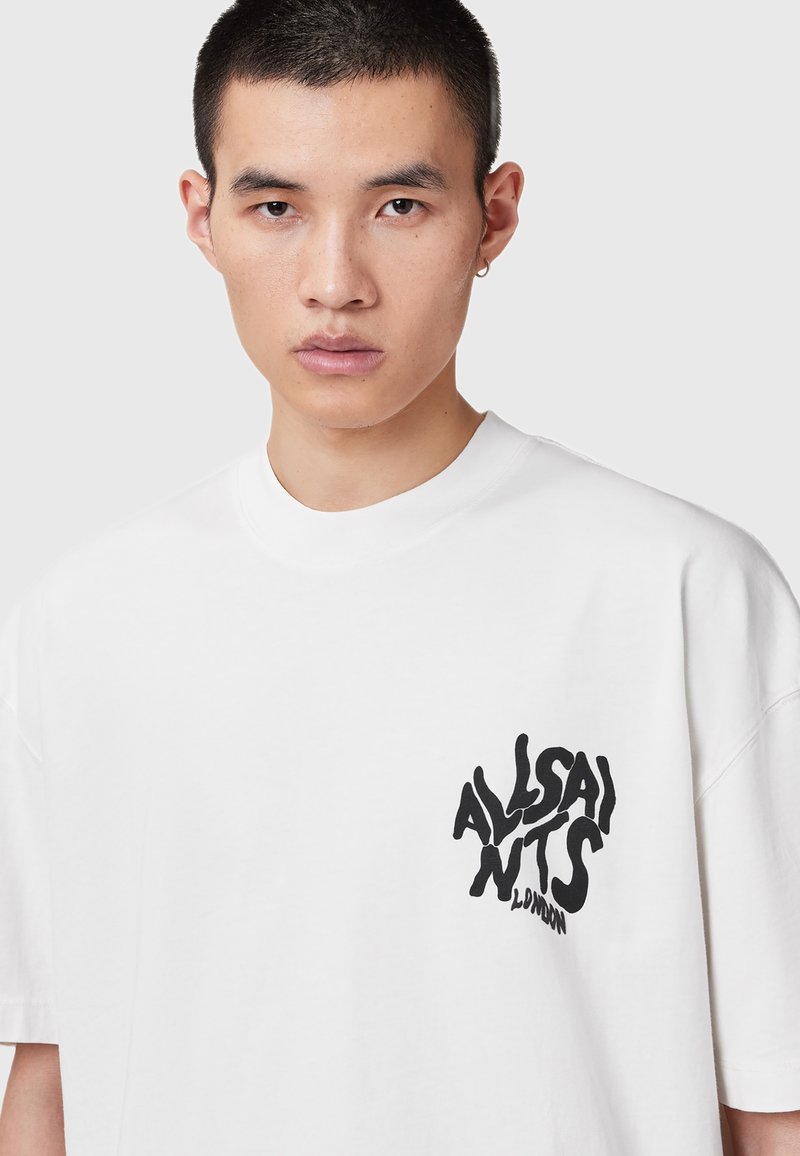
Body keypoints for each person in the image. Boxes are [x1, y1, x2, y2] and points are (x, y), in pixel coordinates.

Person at [0, 0, 798, 1152]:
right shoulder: (84, 621)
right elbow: (50, 1079)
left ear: (493, 214)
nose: (334, 281)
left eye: (399, 206)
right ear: (201, 216)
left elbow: (773, 1102)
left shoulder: (682, 594)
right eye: (276, 207)